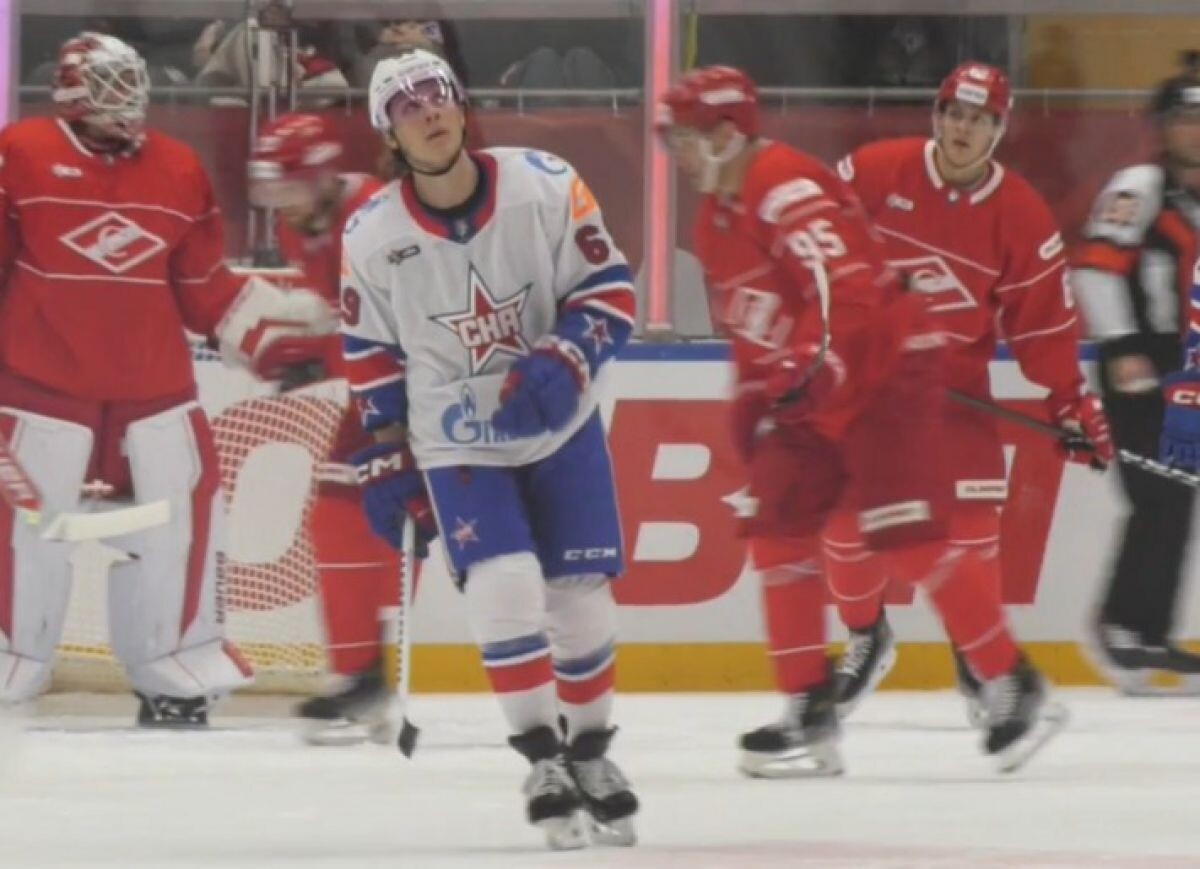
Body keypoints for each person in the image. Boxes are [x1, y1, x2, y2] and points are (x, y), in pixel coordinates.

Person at [657, 64, 1068, 778]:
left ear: (725, 135)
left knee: (904, 536)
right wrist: (752, 396)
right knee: (777, 531)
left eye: (686, 139)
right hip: (817, 382)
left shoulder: (784, 189)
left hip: (885, 371)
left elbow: (846, 293)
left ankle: (1012, 679)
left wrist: (813, 370)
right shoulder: (716, 216)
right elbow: (752, 324)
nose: (678, 155)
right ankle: (807, 710)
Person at [340, 49, 638, 849]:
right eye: (407, 106)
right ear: (390, 135)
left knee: (579, 597)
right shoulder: (371, 235)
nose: (428, 111)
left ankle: (591, 753)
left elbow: (610, 288)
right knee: (504, 585)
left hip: (561, 425)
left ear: (463, 105)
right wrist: (386, 450)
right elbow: (369, 349)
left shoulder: (545, 183)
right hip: (454, 440)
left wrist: (566, 357)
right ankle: (543, 761)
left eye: (437, 94)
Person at [0, 34, 334, 725]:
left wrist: (273, 343)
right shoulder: (19, 154)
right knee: (24, 535)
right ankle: (11, 657)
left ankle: (175, 668)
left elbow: (203, 283)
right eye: (109, 82)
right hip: (36, 394)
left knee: (178, 522)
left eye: (130, 81)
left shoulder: (178, 168)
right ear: (71, 88)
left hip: (154, 394)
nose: (126, 97)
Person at [823, 61, 1112, 719]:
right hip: (866, 388)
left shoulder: (1021, 214)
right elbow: (810, 249)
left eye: (978, 119)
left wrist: (1069, 401)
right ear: (937, 115)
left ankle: (975, 658)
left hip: (951, 391)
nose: (961, 128)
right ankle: (867, 636)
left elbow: (1044, 324)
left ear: (998, 130)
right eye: (954, 113)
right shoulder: (874, 170)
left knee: (973, 528)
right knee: (843, 521)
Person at [247, 113, 415, 742]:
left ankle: (369, 675)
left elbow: (417, 310)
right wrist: (317, 353)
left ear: (321, 177)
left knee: (417, 527)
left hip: (426, 387)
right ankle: (360, 676)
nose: (281, 203)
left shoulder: (376, 217)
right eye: (272, 189)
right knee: (339, 511)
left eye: (289, 186)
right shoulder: (299, 228)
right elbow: (340, 314)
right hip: (376, 393)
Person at [1074, 53, 1200, 692]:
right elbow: (1095, 268)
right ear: (1163, 126)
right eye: (1184, 118)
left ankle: (1148, 633)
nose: (1194, 131)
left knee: (1177, 500)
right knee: (1157, 496)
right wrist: (1121, 346)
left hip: (1187, 375)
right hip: (1139, 370)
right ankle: (1119, 626)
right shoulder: (1139, 187)